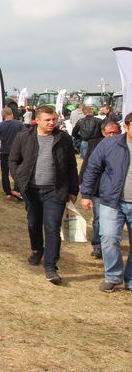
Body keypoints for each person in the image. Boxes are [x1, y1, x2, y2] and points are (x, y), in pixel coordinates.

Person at [9, 105, 78, 285]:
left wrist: (73, 190)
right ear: (37, 120)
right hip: (31, 190)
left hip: (55, 190)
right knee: (33, 223)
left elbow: (71, 164)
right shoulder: (23, 137)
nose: (51, 123)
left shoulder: (63, 138)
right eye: (47, 120)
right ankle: (37, 250)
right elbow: (13, 160)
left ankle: (50, 267)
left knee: (52, 227)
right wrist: (19, 181)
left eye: (54, 119)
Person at [80, 113, 132, 292]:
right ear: (126, 126)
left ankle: (131, 279)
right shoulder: (110, 144)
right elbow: (92, 168)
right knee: (109, 237)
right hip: (112, 201)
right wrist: (86, 194)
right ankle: (113, 276)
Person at [79, 119, 121, 259]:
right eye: (109, 133)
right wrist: (82, 185)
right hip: (97, 188)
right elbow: (87, 166)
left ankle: (111, 243)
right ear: (103, 132)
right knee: (98, 218)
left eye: (115, 133)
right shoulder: (95, 144)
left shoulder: (123, 145)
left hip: (115, 189)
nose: (112, 136)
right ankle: (97, 246)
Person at [0, 107, 25, 201]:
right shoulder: (20, 124)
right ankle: (16, 190)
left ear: (3, 115)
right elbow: (24, 138)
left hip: (4, 152)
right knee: (18, 172)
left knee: (5, 173)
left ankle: (8, 193)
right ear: (12, 114)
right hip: (18, 152)